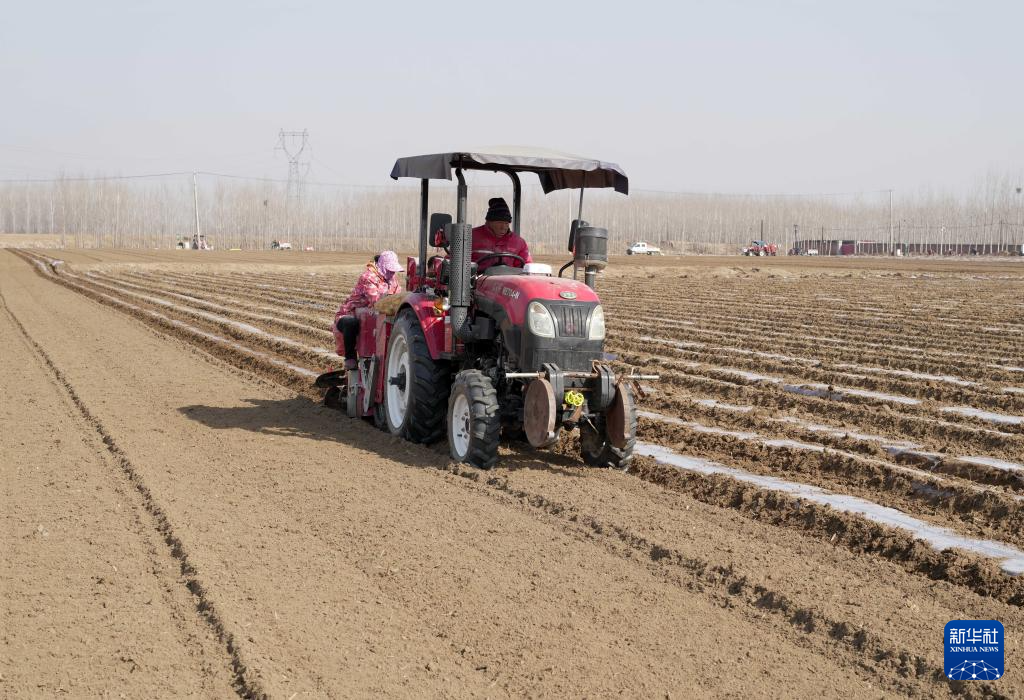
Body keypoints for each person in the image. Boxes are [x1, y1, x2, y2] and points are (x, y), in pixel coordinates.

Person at [332, 250, 404, 369]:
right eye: (390, 270)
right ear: (382, 266)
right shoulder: (368, 277)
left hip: (372, 314)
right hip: (351, 314)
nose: (392, 273)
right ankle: (350, 359)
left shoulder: (392, 279)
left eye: (393, 270)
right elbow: (377, 301)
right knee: (351, 323)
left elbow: (398, 295)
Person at [471, 197, 531, 273]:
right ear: (489, 221)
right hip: (478, 282)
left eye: (506, 223)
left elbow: (527, 267)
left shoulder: (519, 243)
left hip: (508, 282)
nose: (503, 227)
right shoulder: (470, 237)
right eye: (499, 222)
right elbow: (457, 263)